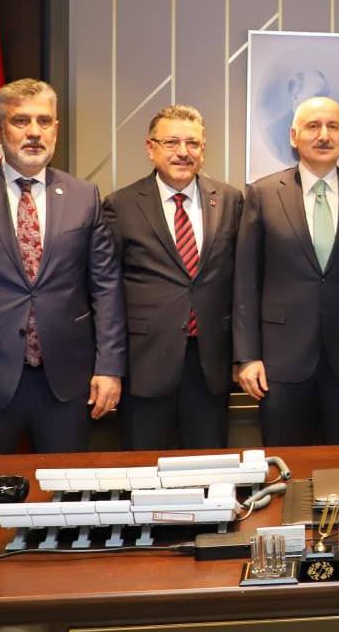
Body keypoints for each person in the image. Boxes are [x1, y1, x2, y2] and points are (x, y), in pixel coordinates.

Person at [0, 79, 125, 453]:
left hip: (66, 380)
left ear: (56, 129)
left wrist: (109, 367)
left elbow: (106, 288)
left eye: (44, 121)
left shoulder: (85, 196)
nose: (34, 132)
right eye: (21, 121)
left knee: (65, 484)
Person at [232, 96, 339, 446]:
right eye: (313, 126)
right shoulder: (263, 194)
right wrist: (247, 356)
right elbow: (246, 283)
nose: (324, 135)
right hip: (280, 362)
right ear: (293, 136)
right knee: (286, 462)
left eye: (333, 127)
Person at [103, 106, 244, 451]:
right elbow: (106, 290)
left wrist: (243, 355)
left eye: (192, 143)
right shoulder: (120, 205)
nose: (183, 152)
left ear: (203, 149)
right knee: (143, 469)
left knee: (210, 467)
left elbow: (242, 283)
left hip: (210, 364)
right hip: (145, 363)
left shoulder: (229, 200)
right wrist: (108, 364)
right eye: (171, 143)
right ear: (150, 148)